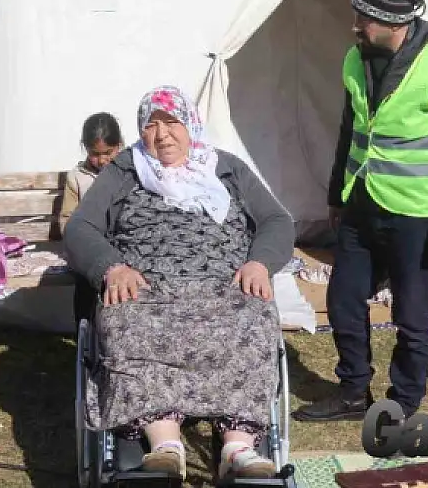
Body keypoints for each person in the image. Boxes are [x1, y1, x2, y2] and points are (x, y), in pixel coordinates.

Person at [64, 85, 295, 481]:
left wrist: (260, 262)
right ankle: (165, 445)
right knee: (126, 320)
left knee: (254, 319)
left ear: (191, 125)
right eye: (151, 125)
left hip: (226, 286)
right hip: (148, 288)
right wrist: (111, 267)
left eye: (171, 122)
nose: (162, 134)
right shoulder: (123, 169)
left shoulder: (226, 167)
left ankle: (238, 448)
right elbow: (81, 226)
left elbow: (277, 220)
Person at [293, 0, 428, 422]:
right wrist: (339, 194)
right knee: (343, 298)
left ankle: (402, 402)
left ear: (395, 22)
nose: (356, 26)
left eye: (365, 19)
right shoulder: (355, 59)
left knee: (412, 313)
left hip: (417, 215)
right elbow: (350, 129)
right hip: (363, 203)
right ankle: (353, 391)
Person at [59, 112, 124, 231]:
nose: (102, 160)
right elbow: (67, 220)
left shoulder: (129, 172)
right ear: (85, 147)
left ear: (119, 145)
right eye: (95, 154)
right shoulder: (77, 178)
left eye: (108, 153)